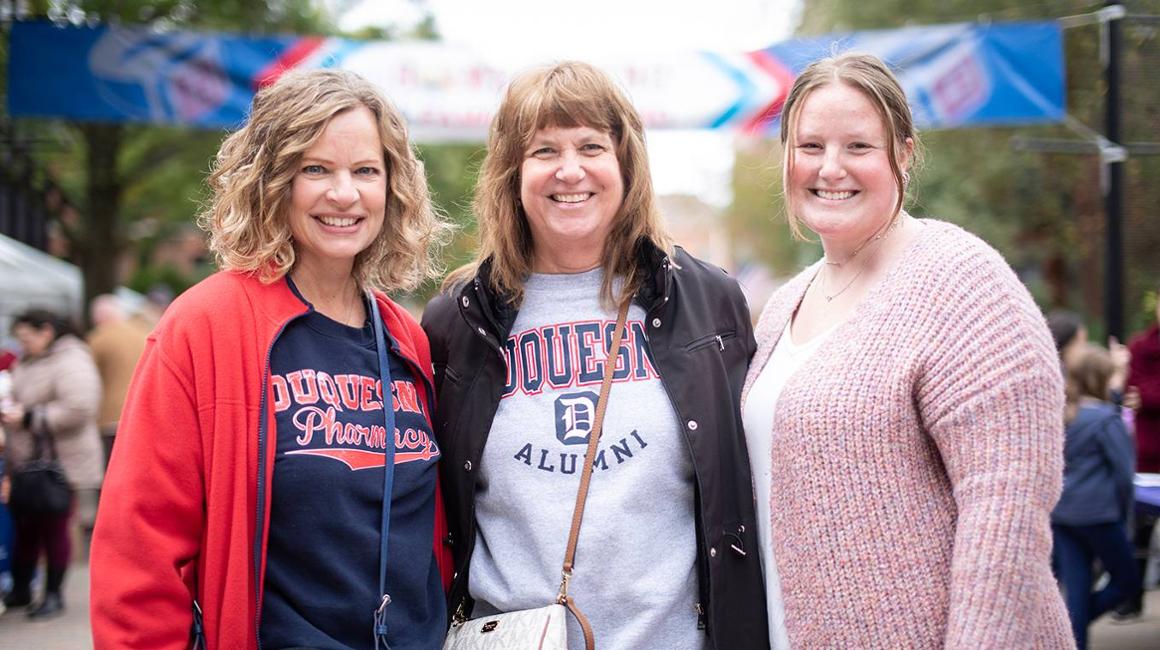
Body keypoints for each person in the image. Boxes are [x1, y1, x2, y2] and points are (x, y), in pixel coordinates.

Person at [90, 69, 453, 649]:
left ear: (394, 187)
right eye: (316, 169)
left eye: (365, 171)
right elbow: (140, 551)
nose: (344, 193)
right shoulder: (206, 326)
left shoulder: (406, 337)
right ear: (272, 181)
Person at [422, 61, 769, 649]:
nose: (570, 170)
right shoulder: (458, 320)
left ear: (625, 163)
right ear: (511, 171)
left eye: (591, 145)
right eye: (543, 150)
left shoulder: (708, 303)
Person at [740, 52, 1072, 647]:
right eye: (810, 146)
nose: (831, 167)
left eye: (859, 147)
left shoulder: (960, 281)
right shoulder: (783, 305)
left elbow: (1006, 516)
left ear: (905, 153)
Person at [1, 309, 103, 618]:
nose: (23, 344)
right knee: (27, 527)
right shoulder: (32, 360)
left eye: (26, 337)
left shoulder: (71, 360)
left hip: (59, 463)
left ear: (46, 332)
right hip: (30, 462)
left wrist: (31, 417)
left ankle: (53, 594)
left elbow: (80, 407)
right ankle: (21, 589)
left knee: (54, 527)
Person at [1052, 343, 1140, 648]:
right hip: (1099, 514)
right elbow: (1123, 475)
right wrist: (1126, 515)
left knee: (1076, 587)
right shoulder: (1107, 420)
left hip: (1062, 513)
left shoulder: (1063, 416)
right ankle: (1066, 627)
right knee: (1129, 580)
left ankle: (1069, 629)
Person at [86, 293, 150, 467]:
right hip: (142, 412)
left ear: (99, 317)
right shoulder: (143, 333)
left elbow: (87, 377)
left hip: (110, 416)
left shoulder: (98, 338)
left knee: (113, 467)